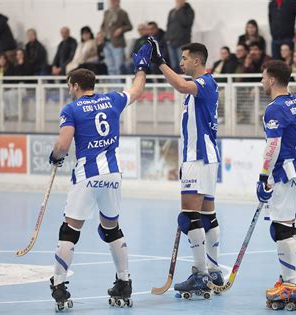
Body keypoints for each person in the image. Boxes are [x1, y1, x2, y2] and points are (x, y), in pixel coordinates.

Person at [47, 43, 152, 311]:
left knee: (70, 229)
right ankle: (124, 282)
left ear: (74, 86)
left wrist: (56, 155)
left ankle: (59, 286)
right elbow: (138, 90)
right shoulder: (113, 99)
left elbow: (64, 143)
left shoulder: (71, 109)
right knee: (111, 228)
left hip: (86, 175)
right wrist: (141, 67)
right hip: (113, 174)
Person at [148, 37, 223, 295]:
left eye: (184, 58)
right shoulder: (202, 85)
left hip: (199, 156)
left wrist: (159, 63)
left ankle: (201, 274)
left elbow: (180, 85)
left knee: (188, 217)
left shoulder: (203, 82)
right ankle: (213, 270)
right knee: (206, 216)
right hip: (204, 157)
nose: (181, 63)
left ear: (197, 61)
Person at [256, 60, 296, 311]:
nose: (261, 81)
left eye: (262, 77)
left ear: (271, 80)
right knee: (288, 227)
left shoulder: (274, 108)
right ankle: (288, 280)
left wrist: (262, 176)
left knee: (281, 230)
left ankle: (290, 285)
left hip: (285, 173)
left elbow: (273, 146)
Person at [99, 0, 133, 75]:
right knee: (110, 67)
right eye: (111, 1)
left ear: (118, 2)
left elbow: (130, 26)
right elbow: (103, 26)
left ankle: (120, 85)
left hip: (117, 43)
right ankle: (113, 86)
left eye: (114, 1)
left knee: (119, 66)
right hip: (106, 43)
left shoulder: (123, 13)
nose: (112, 3)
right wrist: (102, 34)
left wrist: (121, 29)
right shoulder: (106, 12)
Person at [165, 0, 195, 73]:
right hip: (171, 41)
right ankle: (176, 81)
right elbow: (169, 25)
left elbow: (186, 22)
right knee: (174, 65)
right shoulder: (172, 11)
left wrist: (180, 10)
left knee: (183, 63)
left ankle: (185, 81)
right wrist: (167, 38)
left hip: (182, 42)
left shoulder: (188, 11)